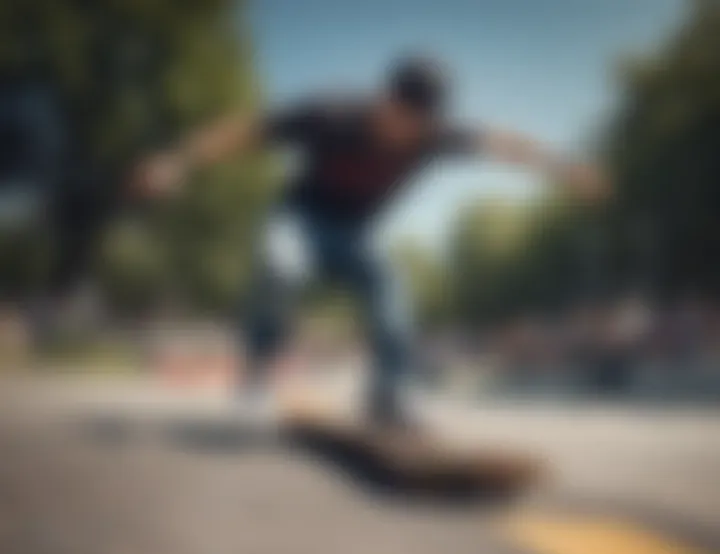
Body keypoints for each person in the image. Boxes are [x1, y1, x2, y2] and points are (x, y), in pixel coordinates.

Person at [132, 55, 608, 428]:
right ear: (384, 100)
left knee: (392, 294)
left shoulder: (433, 137)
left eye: (417, 125)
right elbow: (245, 131)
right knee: (280, 265)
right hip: (300, 218)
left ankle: (389, 398)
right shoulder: (331, 115)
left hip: (354, 235)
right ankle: (256, 375)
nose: (403, 133)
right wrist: (176, 162)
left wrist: (565, 169)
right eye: (398, 118)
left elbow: (503, 144)